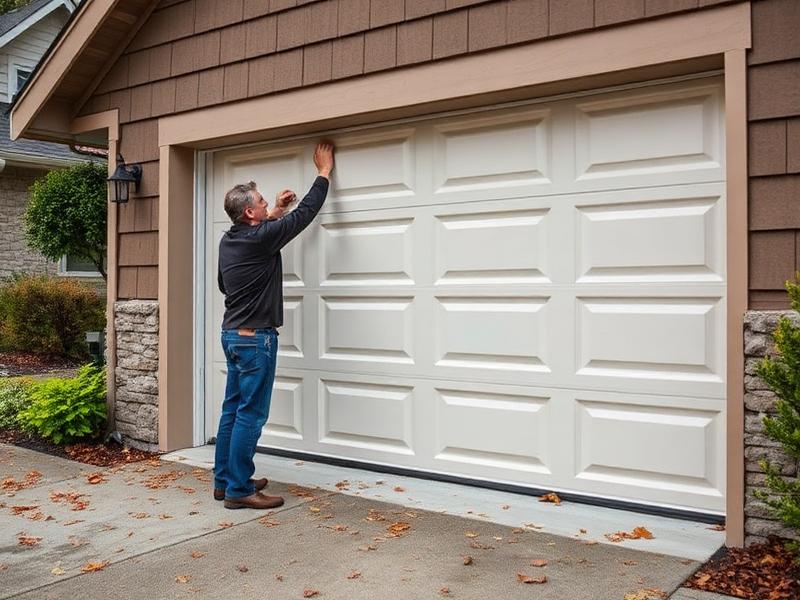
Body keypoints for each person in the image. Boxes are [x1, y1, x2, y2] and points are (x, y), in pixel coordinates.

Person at [214, 141, 335, 509]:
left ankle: (226, 480)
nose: (268, 204)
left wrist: (279, 208)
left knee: (232, 410)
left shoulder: (230, 239)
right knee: (251, 414)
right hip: (256, 340)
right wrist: (323, 173)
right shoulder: (262, 238)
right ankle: (239, 491)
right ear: (250, 213)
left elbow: (224, 283)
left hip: (233, 335)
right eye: (263, 202)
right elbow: (306, 215)